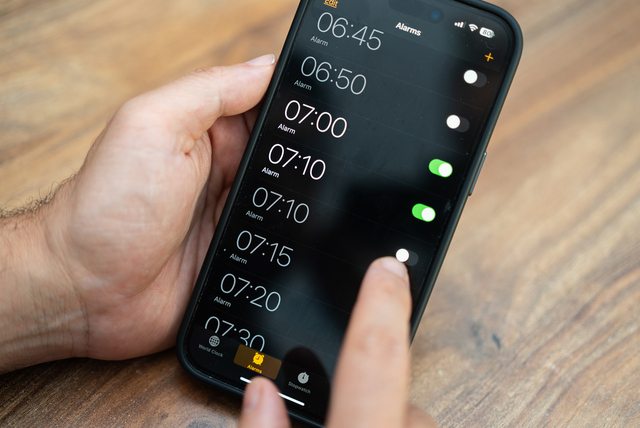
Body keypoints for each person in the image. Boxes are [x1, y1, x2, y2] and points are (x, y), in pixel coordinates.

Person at [0, 54, 438, 427]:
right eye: (279, 153)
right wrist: (63, 270)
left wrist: (65, 274)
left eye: (306, 160)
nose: (288, 176)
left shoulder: (331, 276)